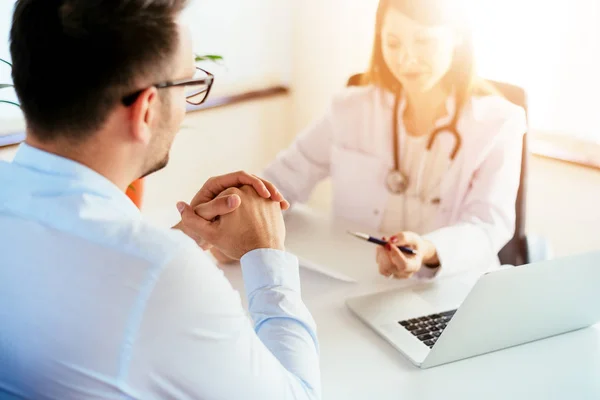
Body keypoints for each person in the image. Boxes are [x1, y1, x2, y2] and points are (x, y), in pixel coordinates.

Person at [0, 1, 320, 399]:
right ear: (147, 108)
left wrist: (185, 236)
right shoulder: (162, 274)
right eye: (188, 84)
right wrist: (266, 255)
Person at [254, 0, 527, 280]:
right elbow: (281, 180)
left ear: (456, 35)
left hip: (451, 286)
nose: (406, 59)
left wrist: (428, 249)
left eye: (423, 41)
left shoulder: (498, 123)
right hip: (362, 279)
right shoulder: (352, 109)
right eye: (393, 43)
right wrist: (245, 220)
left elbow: (486, 225)